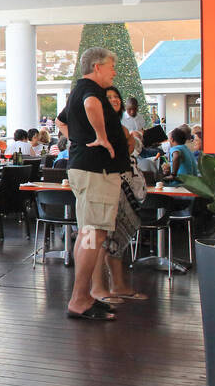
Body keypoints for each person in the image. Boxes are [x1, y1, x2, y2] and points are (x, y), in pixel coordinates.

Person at [57, 47, 120, 322]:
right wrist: (101, 137)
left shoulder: (79, 89)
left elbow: (63, 121)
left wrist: (80, 139)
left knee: (90, 233)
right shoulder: (89, 91)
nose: (114, 71)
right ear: (96, 67)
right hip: (96, 171)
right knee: (92, 233)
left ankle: (84, 296)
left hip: (91, 169)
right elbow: (91, 105)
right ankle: (80, 299)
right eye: (111, 66)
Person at [92, 86, 148, 306]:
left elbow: (132, 151)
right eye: (109, 98)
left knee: (118, 239)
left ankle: (118, 284)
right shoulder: (98, 126)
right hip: (107, 185)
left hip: (126, 188)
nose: (114, 100)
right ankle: (98, 287)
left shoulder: (122, 127)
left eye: (117, 96)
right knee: (100, 238)